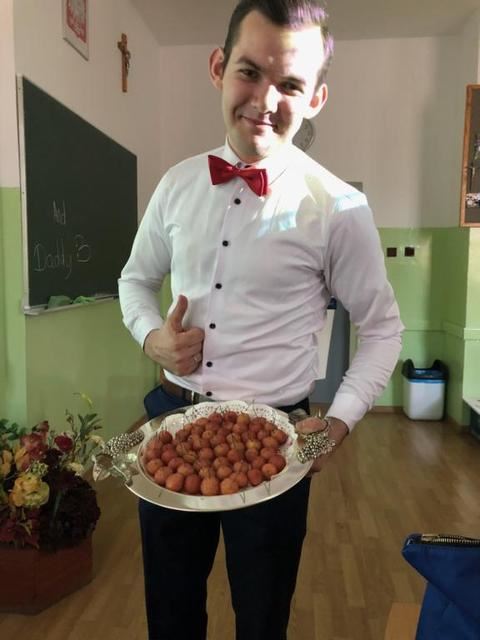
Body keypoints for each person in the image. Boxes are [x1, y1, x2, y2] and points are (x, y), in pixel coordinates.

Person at [118, 1, 403, 638]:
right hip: (173, 426)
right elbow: (134, 280)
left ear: (317, 97)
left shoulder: (339, 208)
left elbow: (384, 328)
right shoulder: (175, 186)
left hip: (277, 444)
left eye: (290, 84)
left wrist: (338, 423)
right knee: (169, 614)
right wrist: (153, 337)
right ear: (218, 67)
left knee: (263, 618)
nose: (265, 100)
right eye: (249, 72)